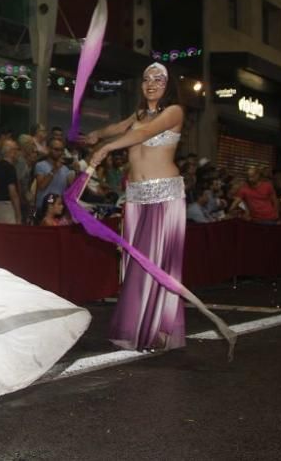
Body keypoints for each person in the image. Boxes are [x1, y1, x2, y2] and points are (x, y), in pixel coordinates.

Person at [85, 62, 187, 351]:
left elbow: (142, 135)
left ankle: (159, 329)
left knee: (154, 263)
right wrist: (98, 135)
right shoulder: (139, 114)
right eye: (146, 79)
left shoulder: (174, 111)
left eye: (159, 79)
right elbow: (120, 128)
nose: (151, 84)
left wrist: (106, 147)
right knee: (134, 264)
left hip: (164, 197)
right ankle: (139, 326)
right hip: (136, 197)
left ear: (169, 85)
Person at [34, 136, 75, 211]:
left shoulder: (66, 169)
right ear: (49, 149)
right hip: (43, 209)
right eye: (56, 149)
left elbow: (73, 190)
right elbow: (41, 186)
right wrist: (54, 169)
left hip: (58, 209)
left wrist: (77, 173)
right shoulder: (40, 165)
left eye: (61, 150)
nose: (59, 152)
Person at [0, 138, 22, 224]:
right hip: (8, 207)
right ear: (11, 152)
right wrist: (18, 215)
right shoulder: (10, 168)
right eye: (17, 149)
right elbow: (12, 192)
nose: (19, 153)